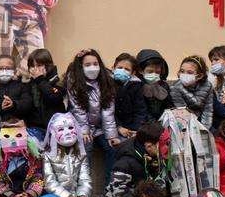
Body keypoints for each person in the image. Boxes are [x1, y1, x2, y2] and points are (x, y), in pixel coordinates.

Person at [42, 112, 95, 197]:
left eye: (71, 128)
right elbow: (49, 182)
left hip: (77, 196)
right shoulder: (47, 155)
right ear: (53, 132)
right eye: (61, 129)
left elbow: (85, 178)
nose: (67, 133)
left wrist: (83, 195)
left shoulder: (80, 153)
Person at [100, 122, 167, 197]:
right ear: (149, 146)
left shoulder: (149, 155)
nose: (166, 148)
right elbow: (119, 193)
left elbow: (157, 181)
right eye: (163, 145)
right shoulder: (125, 163)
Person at [65, 49, 119, 180]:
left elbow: (108, 111)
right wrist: (84, 131)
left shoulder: (107, 81)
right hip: (80, 126)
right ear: (81, 67)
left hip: (100, 127)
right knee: (86, 147)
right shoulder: (74, 82)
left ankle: (109, 190)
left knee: (114, 148)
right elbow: (78, 110)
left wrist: (111, 135)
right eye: (87, 65)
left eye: (95, 64)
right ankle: (85, 192)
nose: (92, 68)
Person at [0, 54, 34, 134]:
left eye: (8, 68)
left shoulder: (22, 84)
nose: (4, 71)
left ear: (15, 70)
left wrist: (14, 105)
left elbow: (28, 104)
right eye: (1, 68)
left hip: (19, 128)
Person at [24, 48, 67, 137]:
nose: (35, 69)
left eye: (39, 65)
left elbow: (52, 96)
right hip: (36, 128)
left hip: (57, 127)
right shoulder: (28, 84)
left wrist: (40, 80)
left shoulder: (59, 82)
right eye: (32, 66)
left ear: (48, 66)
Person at [112, 53, 150, 138]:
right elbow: (108, 111)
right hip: (113, 126)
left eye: (127, 69)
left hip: (131, 127)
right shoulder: (108, 85)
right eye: (120, 68)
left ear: (133, 73)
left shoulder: (136, 86)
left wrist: (136, 129)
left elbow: (140, 110)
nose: (122, 71)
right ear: (113, 68)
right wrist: (119, 127)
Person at [171, 55, 214, 128]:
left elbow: (208, 109)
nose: (184, 74)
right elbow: (182, 112)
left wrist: (205, 128)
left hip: (201, 120)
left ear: (199, 76)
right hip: (184, 122)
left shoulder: (207, 86)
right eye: (182, 71)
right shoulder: (175, 88)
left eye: (189, 72)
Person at [136, 49, 174, 123]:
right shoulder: (137, 86)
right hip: (145, 124)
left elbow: (169, 105)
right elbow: (142, 109)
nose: (154, 74)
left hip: (162, 121)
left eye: (157, 72)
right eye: (150, 71)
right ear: (140, 70)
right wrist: (155, 124)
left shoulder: (163, 86)